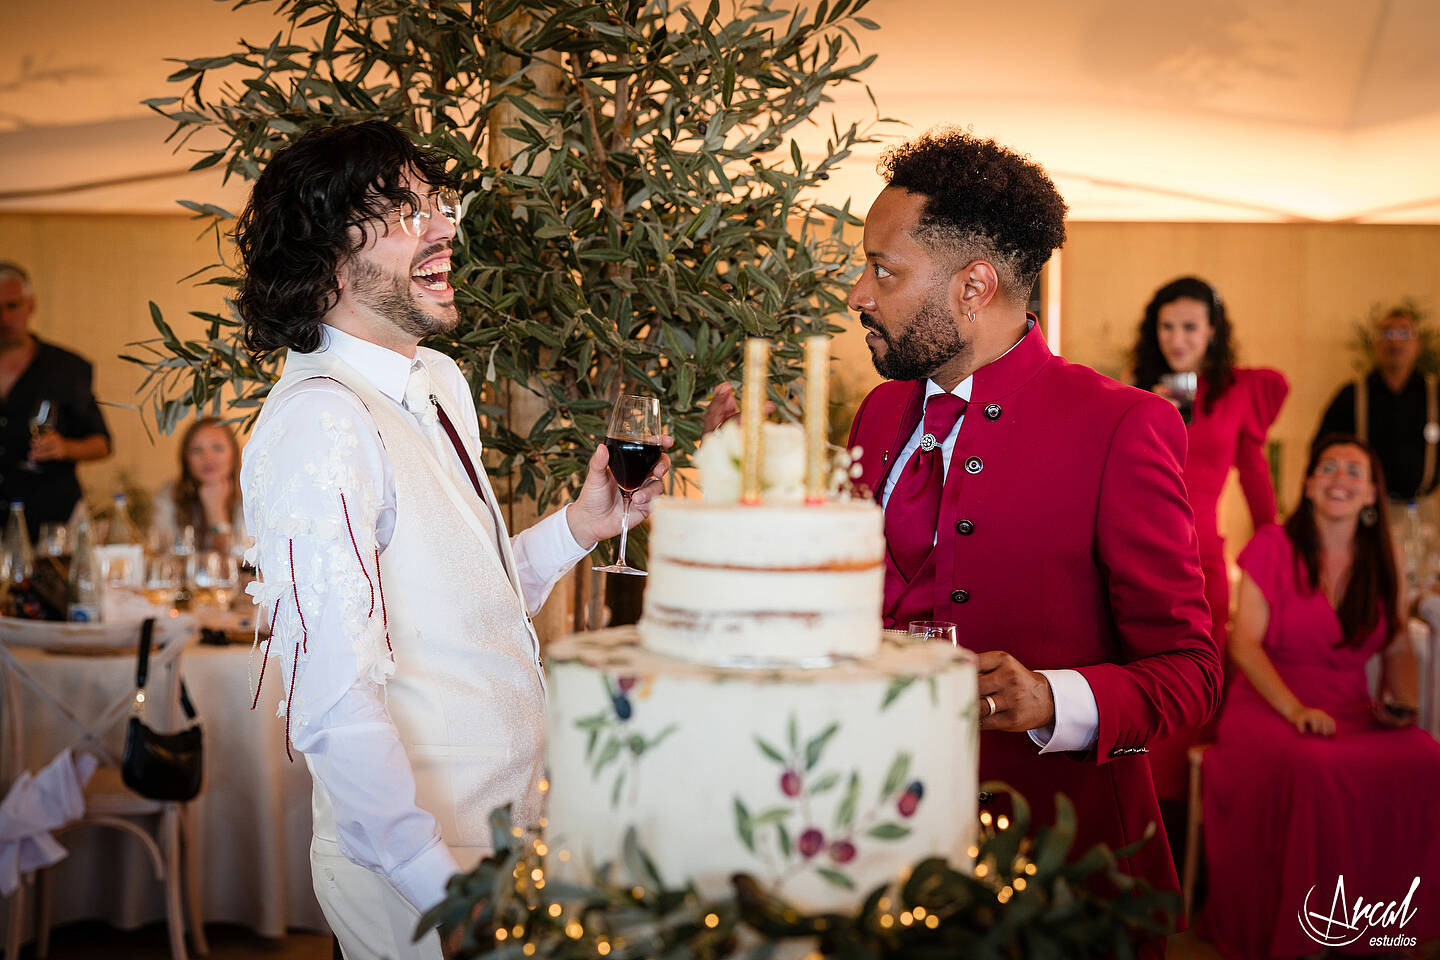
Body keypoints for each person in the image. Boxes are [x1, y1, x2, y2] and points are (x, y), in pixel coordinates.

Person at [236, 120, 669, 960]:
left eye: (436, 204)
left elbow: (464, 603)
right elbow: (333, 702)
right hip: (423, 874)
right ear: (327, 257)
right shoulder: (319, 422)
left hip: (508, 837)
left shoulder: (437, 382)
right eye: (401, 212)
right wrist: (442, 892)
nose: (443, 227)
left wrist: (581, 527)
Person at [843, 129, 1220, 951]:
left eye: (884, 268)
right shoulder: (876, 416)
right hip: (881, 843)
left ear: (974, 286)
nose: (857, 293)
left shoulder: (1123, 425)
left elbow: (1192, 673)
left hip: (1061, 876)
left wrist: (1057, 699)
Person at [1200, 436, 1440, 959]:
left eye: (1355, 471)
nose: (1340, 478)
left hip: (1352, 706)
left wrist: (1403, 703)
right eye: (1328, 467)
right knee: (1313, 765)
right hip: (1270, 705)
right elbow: (1243, 643)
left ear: (1373, 494)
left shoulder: (1385, 558)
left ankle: (1378, 930)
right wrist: (1296, 710)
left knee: (1426, 755)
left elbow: (1398, 638)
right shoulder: (1271, 544)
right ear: (1308, 485)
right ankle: (1310, 930)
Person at [1129, 277, 1287, 834]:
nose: (1177, 338)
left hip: (1205, 563)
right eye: (1166, 326)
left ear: (1212, 331)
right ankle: (1145, 819)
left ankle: (1193, 828)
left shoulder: (1241, 391)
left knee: (1199, 682)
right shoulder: (1138, 390)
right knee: (1144, 674)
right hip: (1140, 554)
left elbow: (1255, 472)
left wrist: (1279, 545)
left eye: (1189, 327)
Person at [0, 261, 112, 539]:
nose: (2, 317)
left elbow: (102, 443)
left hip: (54, 521)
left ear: (31, 305)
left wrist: (64, 447)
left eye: (11, 306)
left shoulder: (67, 368)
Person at [1314, 306, 1436, 506]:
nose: (1395, 342)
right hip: (1364, 508)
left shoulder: (1435, 395)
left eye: (1404, 333)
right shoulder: (1351, 396)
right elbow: (1321, 450)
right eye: (1387, 333)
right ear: (1376, 344)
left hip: (1422, 510)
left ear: (1417, 345)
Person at [152, 416, 246, 554]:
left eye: (217, 448)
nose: (208, 458)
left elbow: (241, 564)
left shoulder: (251, 496)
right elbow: (160, 554)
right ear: (186, 459)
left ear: (234, 454)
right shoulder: (169, 495)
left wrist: (216, 512)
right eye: (197, 450)